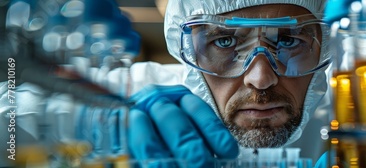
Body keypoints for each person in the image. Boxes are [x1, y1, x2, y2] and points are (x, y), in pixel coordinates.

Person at [125, 0, 342, 167]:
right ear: (189, 55)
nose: (261, 80)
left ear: (323, 49)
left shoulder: (354, 111)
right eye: (224, 41)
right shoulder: (132, 92)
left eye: (289, 41)